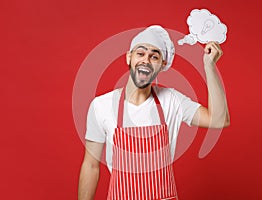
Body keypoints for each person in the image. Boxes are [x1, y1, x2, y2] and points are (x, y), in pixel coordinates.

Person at [78, 25, 230, 200]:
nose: (146, 60)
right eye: (140, 53)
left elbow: (219, 120)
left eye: (154, 56)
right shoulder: (101, 106)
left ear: (162, 65)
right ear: (129, 57)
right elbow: (90, 166)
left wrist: (209, 67)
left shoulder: (172, 100)